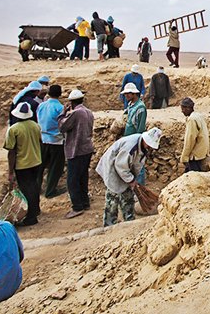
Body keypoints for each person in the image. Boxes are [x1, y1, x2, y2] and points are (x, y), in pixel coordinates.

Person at [96, 128, 162, 226]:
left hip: (125, 170)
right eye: (149, 144)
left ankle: (129, 221)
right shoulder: (131, 146)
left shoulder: (143, 147)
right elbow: (120, 166)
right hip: (113, 168)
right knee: (113, 197)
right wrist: (131, 180)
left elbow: (135, 164)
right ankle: (109, 224)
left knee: (128, 196)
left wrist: (132, 179)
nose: (149, 147)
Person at [57, 89, 95, 219]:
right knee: (83, 177)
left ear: (71, 102)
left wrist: (63, 113)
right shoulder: (88, 112)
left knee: (72, 180)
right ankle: (85, 202)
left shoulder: (76, 113)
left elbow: (62, 126)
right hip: (87, 149)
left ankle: (77, 207)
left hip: (76, 149)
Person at [4, 102, 42, 226]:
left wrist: (10, 171)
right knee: (34, 187)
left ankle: (31, 216)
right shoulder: (35, 126)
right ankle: (35, 210)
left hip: (22, 164)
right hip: (36, 161)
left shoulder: (14, 129)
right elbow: (40, 142)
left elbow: (11, 151)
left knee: (26, 189)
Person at [36, 84, 66, 198]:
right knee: (55, 167)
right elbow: (63, 124)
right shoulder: (60, 108)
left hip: (43, 139)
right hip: (56, 140)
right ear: (60, 94)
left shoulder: (42, 105)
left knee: (40, 166)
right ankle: (50, 190)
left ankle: (37, 188)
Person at [180, 97, 209, 173]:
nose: (182, 111)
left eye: (183, 108)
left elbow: (190, 140)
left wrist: (184, 157)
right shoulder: (199, 116)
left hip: (195, 156)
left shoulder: (192, 119)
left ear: (188, 108)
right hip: (202, 153)